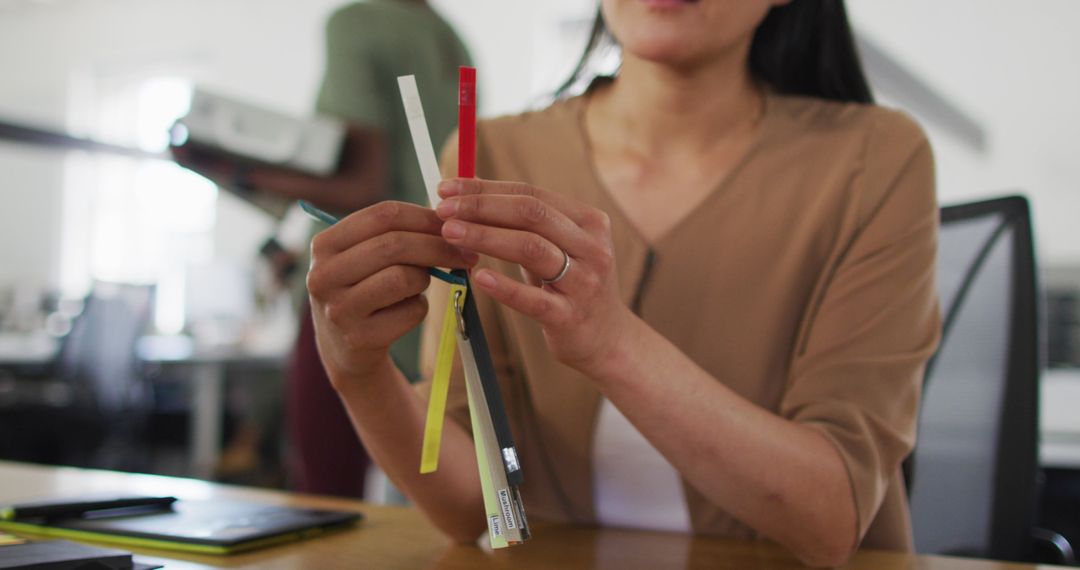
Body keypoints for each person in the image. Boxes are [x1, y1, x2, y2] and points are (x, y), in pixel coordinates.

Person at [305, 0, 940, 565]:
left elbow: (830, 518)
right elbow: (476, 505)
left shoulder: (876, 159)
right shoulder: (487, 156)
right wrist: (358, 374)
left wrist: (610, 344)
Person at [173, 0, 471, 496]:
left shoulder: (354, 23)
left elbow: (360, 184)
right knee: (426, 492)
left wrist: (234, 170)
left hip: (357, 295)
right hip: (437, 298)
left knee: (326, 499)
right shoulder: (450, 38)